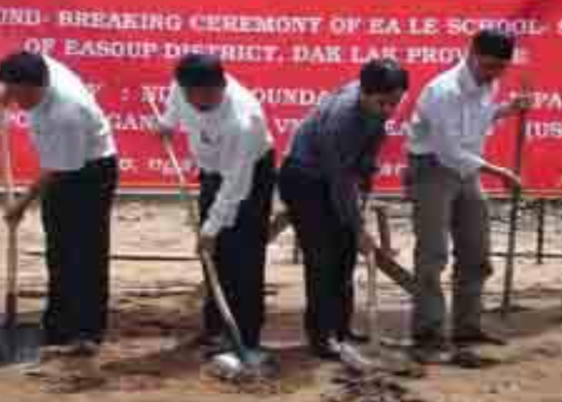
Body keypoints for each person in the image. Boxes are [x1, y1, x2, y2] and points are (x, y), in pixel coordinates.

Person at [406, 29, 530, 361]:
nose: (493, 74)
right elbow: (448, 150)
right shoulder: (442, 90)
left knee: (476, 251)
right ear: (471, 53)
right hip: (432, 169)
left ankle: (467, 326)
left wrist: (506, 110)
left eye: (500, 68)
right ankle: (429, 332)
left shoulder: (490, 85)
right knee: (433, 255)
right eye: (489, 66)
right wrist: (500, 172)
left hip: (467, 172)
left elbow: (477, 122)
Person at [279, 58, 409, 360]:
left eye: (395, 102)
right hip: (305, 179)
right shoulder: (341, 119)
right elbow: (339, 182)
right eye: (384, 103)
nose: (389, 109)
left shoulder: (375, 101)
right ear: (364, 92)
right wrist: (358, 227)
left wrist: (367, 174)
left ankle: (341, 328)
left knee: (345, 254)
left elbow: (368, 150)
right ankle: (321, 336)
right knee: (323, 257)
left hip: (336, 178)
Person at [0, 51, 118, 355]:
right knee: (59, 248)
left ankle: (87, 331)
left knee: (85, 253)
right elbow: (26, 65)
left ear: (36, 87)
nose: (15, 101)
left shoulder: (67, 112)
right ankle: (58, 326)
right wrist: (6, 92)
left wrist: (22, 204)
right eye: (9, 90)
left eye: (18, 94)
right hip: (63, 167)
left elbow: (59, 170)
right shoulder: (38, 67)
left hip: (89, 172)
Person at [153, 54, 275, 352]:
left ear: (221, 86)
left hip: (248, 178)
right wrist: (168, 123)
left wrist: (210, 229)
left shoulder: (243, 121)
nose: (198, 101)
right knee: (213, 258)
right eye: (191, 95)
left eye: (207, 95)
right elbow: (174, 99)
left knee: (242, 258)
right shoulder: (183, 88)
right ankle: (214, 328)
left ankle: (245, 339)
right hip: (212, 170)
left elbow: (236, 186)